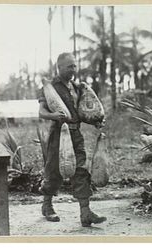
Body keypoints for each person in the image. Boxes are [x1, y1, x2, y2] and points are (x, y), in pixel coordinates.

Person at [37, 52, 107, 227]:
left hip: (76, 135)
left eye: (75, 66)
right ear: (59, 67)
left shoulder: (77, 87)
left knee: (81, 170)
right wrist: (54, 115)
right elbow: (41, 112)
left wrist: (96, 121)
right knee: (54, 171)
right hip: (58, 135)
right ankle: (47, 206)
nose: (73, 69)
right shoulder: (50, 87)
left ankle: (85, 213)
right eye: (69, 66)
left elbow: (81, 113)